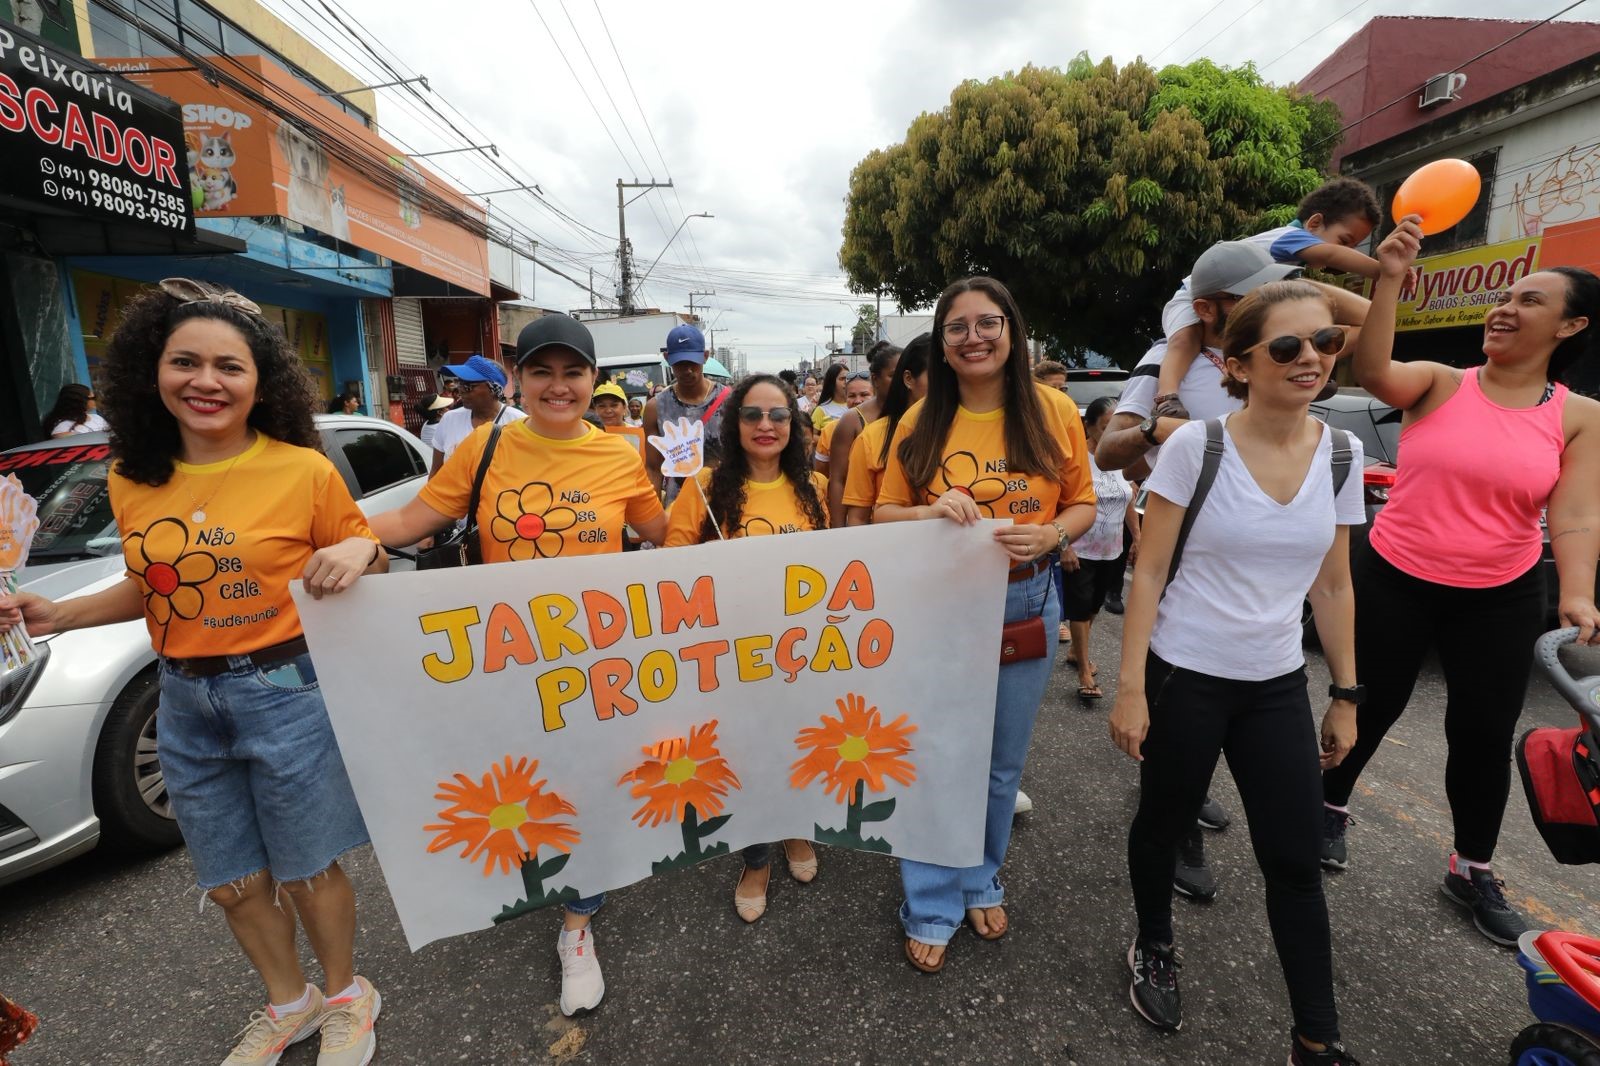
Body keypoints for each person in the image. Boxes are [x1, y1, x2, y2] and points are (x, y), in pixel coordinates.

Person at [0, 278, 388, 1066]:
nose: (205, 381)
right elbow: (156, 586)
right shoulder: (132, 479)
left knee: (310, 867)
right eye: (185, 362)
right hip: (183, 698)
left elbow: (365, 550)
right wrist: (59, 614)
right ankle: (292, 1003)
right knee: (232, 880)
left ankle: (350, 997)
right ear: (154, 372)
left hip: (284, 689)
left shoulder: (302, 470)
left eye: (228, 366)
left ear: (259, 383)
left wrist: (355, 548)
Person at [367, 313, 668, 1018]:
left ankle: (577, 925)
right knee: (524, 783)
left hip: (595, 662)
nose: (558, 386)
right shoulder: (485, 445)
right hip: (504, 658)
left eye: (573, 372)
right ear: (518, 379)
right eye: (542, 371)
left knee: (588, 786)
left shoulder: (622, 455)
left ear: (595, 381)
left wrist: (731, 501)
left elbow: (665, 535)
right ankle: (536, 876)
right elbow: (414, 523)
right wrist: (330, 537)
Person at [1320, 217, 1600, 946]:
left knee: (1480, 735)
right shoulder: (1442, 383)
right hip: (1396, 576)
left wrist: (1576, 593)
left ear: (1571, 324)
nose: (1504, 307)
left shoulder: (1581, 417)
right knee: (1370, 706)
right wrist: (1388, 280)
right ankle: (1329, 806)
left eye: (1530, 300)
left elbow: (1574, 515)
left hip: (1500, 596)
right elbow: (1375, 370)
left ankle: (1472, 864)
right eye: (1504, 296)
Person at [1110, 279, 1366, 1065]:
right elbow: (1148, 572)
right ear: (1240, 364)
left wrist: (1347, 695)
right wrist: (1129, 688)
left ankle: (1315, 1040)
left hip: (1277, 682)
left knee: (1293, 859)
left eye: (1325, 343)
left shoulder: (1343, 454)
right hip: (1186, 674)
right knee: (1164, 821)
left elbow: (1333, 584)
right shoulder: (1197, 445)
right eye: (1287, 347)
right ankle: (1154, 942)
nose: (1311, 359)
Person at [875, 276, 1096, 973]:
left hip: (1028, 602)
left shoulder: (1055, 409)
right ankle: (932, 898)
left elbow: (1084, 502)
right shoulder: (918, 421)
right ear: (940, 344)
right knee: (937, 759)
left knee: (1000, 766)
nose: (973, 338)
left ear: (1012, 329)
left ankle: (980, 875)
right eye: (957, 328)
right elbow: (880, 516)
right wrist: (930, 511)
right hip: (938, 607)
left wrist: (1054, 535)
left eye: (987, 323)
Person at [664, 373, 829, 922]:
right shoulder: (704, 487)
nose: (766, 425)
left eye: (778, 415)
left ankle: (797, 832)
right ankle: (756, 858)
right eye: (753, 415)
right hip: (729, 660)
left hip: (803, 656)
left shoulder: (819, 491)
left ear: (795, 425)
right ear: (735, 425)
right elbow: (669, 564)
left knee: (801, 747)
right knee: (748, 758)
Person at [1154, 177, 1383, 409]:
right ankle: (1167, 397)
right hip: (1193, 294)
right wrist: (1384, 270)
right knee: (1184, 340)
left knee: (1301, 334)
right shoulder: (1288, 237)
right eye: (1344, 241)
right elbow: (1332, 255)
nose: (1347, 252)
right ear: (1314, 223)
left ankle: (1304, 372)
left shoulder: (1292, 265)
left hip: (1246, 296)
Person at [1061, 395, 1138, 702]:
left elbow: (1128, 499)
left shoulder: (1121, 459)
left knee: (1093, 606)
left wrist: (1138, 538)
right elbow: (1059, 504)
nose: (1112, 434)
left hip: (1111, 549)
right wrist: (1064, 545)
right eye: (1106, 427)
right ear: (1089, 426)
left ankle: (1075, 652)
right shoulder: (1074, 459)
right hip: (1079, 548)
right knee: (1080, 609)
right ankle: (1083, 670)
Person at [842, 335, 931, 527]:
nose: (947, 386)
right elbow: (858, 516)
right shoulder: (870, 438)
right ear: (908, 379)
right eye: (936, 376)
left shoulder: (969, 431)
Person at [642, 324, 731, 506]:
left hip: (726, 502)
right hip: (679, 506)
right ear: (667, 359)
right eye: (680, 363)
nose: (687, 370)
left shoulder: (730, 400)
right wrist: (655, 516)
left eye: (692, 362)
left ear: (705, 357)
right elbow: (653, 468)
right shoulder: (655, 408)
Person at [826, 345, 900, 527]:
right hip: (863, 522)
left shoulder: (913, 414)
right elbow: (837, 479)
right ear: (876, 379)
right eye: (893, 375)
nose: (902, 381)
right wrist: (839, 529)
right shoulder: (852, 420)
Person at [431, 355, 524, 473]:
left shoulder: (519, 423)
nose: (461, 390)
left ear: (494, 390)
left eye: (469, 386)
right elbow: (436, 472)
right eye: (459, 383)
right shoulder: (449, 419)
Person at [812, 370, 875, 479]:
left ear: (875, 395)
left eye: (864, 395)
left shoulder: (887, 427)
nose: (858, 400)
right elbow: (823, 475)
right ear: (845, 398)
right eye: (852, 396)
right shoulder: (830, 430)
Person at [43, 382, 109, 437]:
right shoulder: (63, 427)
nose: (96, 400)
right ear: (81, 401)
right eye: (93, 398)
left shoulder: (97, 418)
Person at [810, 363, 850, 429]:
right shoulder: (821, 409)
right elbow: (812, 435)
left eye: (848, 378)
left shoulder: (856, 405)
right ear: (832, 382)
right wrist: (828, 438)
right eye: (842, 379)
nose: (846, 382)